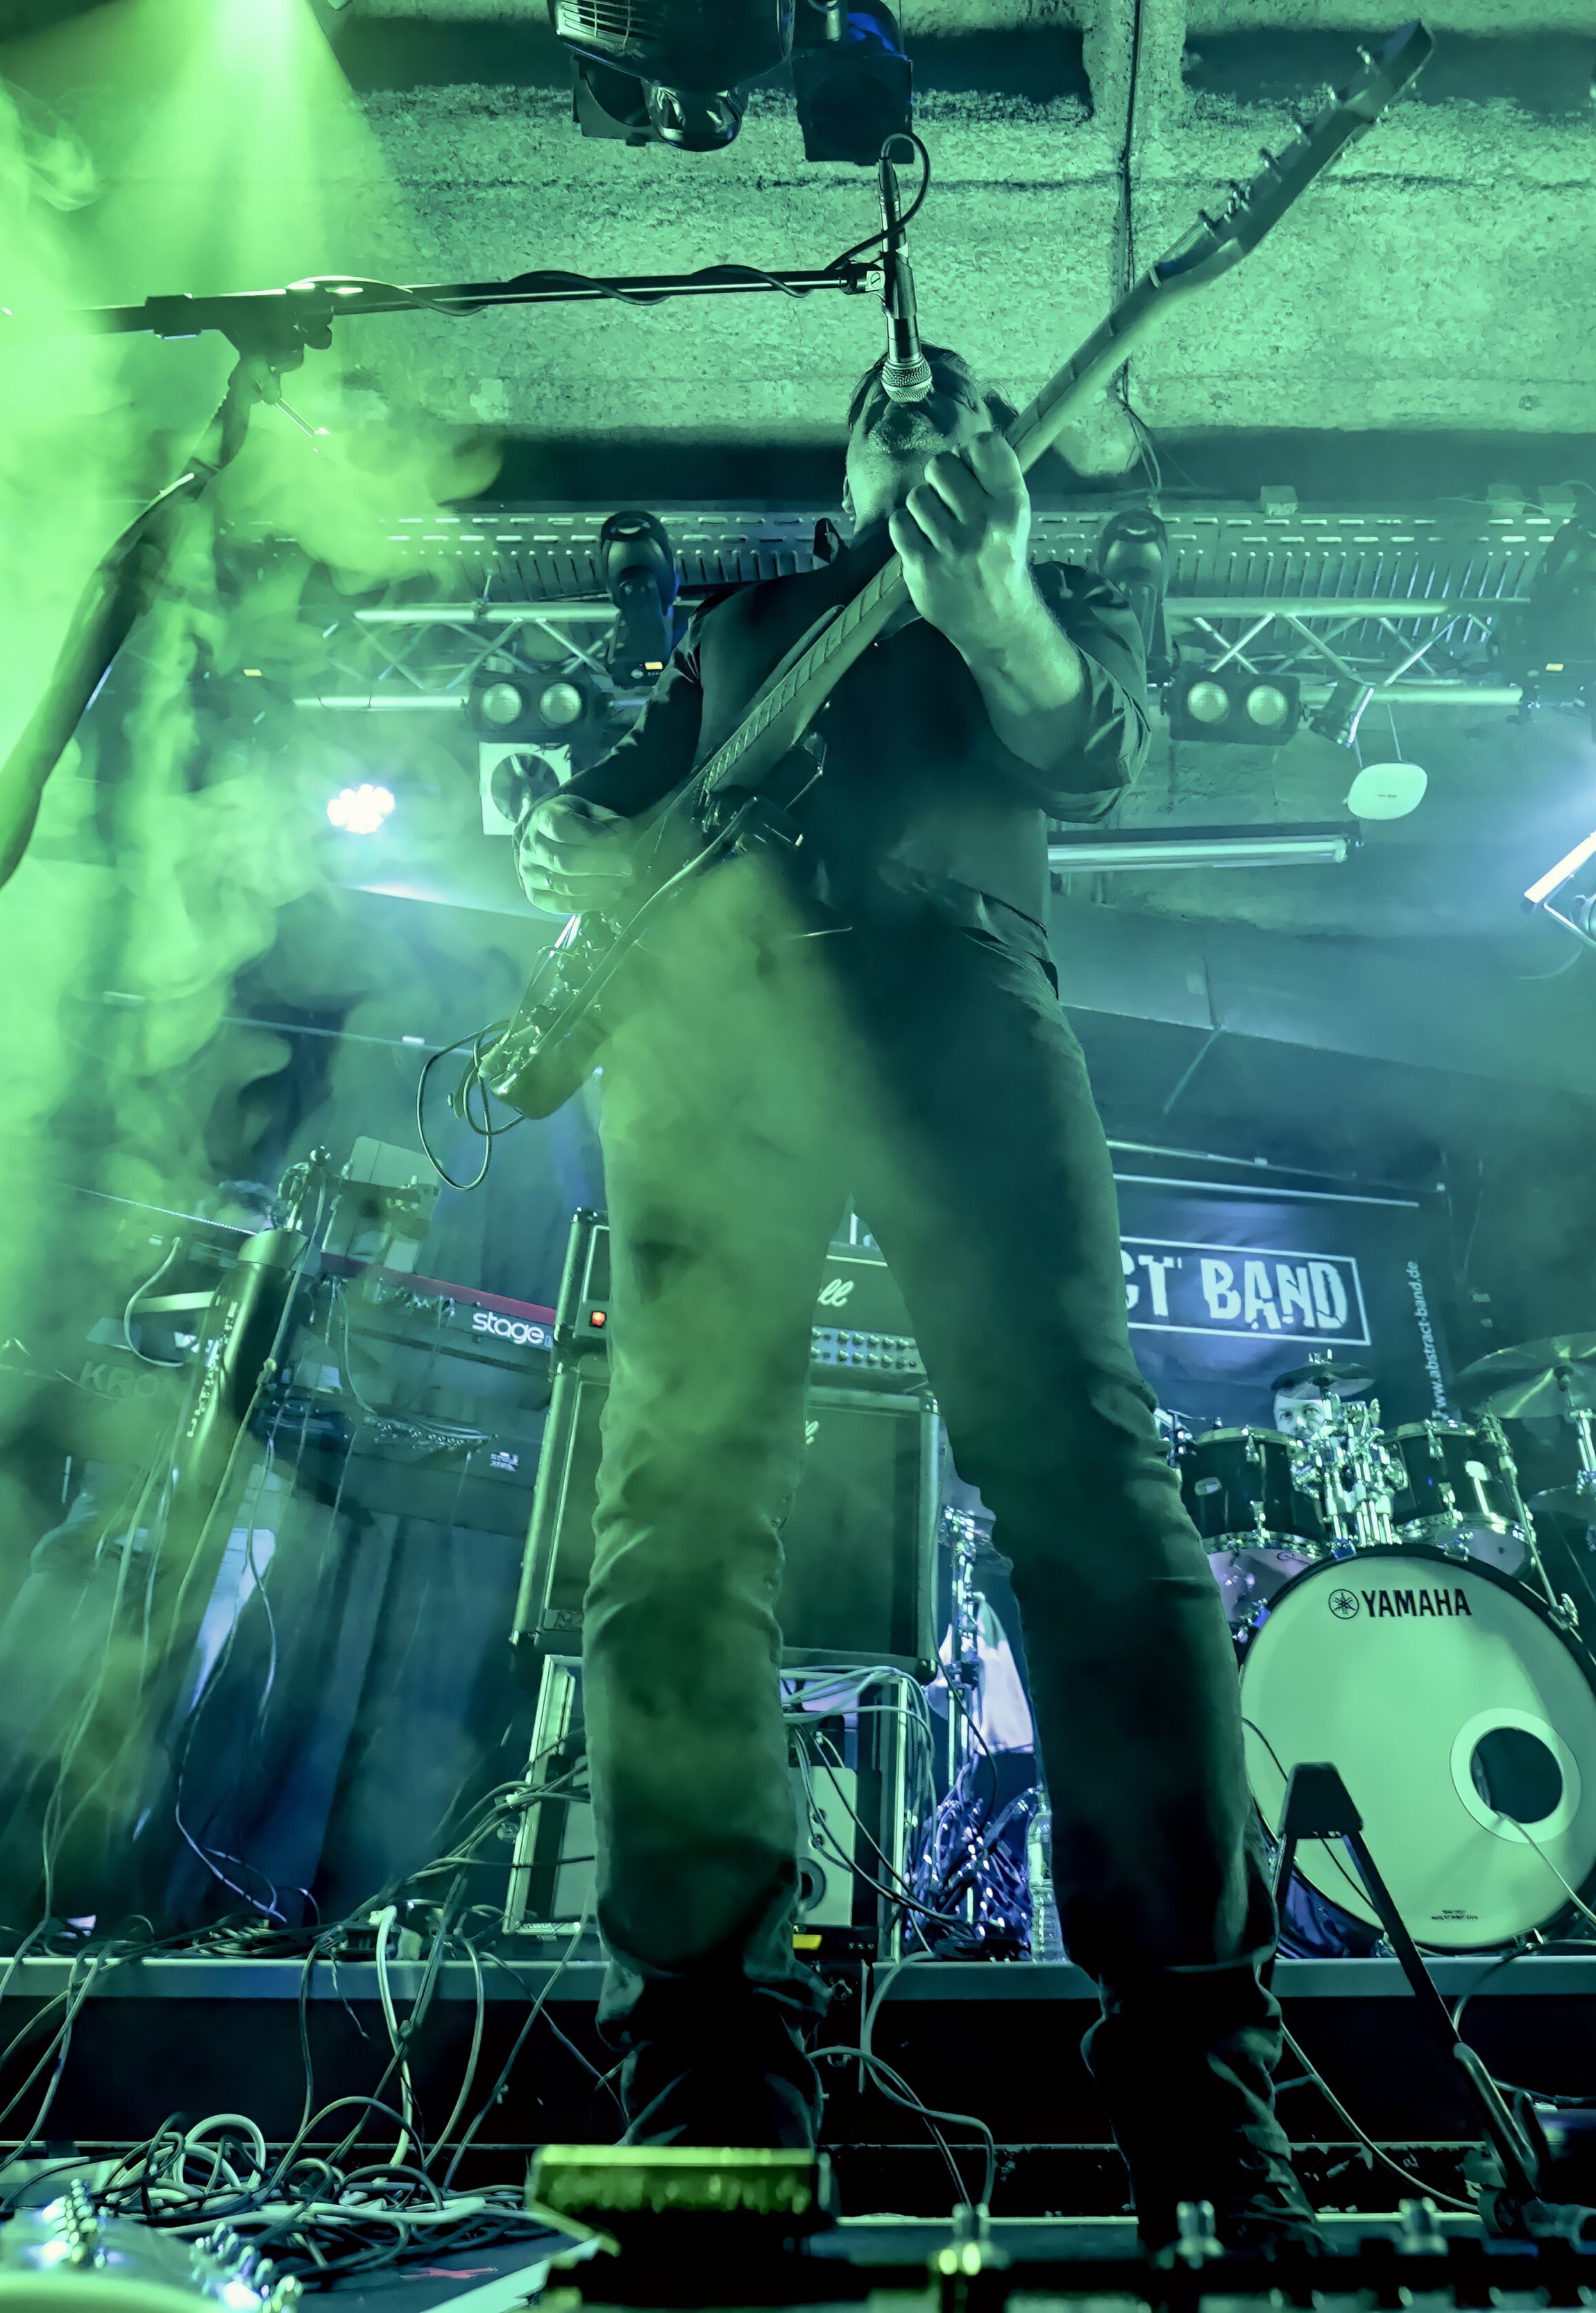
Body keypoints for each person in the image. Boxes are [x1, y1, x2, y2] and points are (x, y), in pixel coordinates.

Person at [513, 346, 1313, 2246]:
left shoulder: (1039, 579)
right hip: (711, 1022)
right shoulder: (741, 622)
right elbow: (615, 827)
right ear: (844, 460)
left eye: (959, 389)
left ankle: (1202, 2103)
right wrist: (567, 829)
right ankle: (704, 2098)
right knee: (672, 1518)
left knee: (1087, 1486)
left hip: (956, 988)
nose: (925, 393)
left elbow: (1093, 743)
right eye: (894, 396)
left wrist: (995, 601)